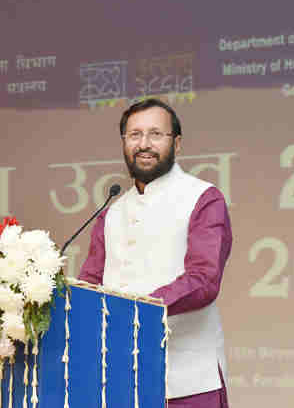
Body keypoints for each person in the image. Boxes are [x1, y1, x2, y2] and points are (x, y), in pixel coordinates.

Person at [79, 98, 232, 407]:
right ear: (123, 142)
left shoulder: (203, 197)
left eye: (155, 134)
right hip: (119, 379)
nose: (144, 144)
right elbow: (89, 284)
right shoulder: (112, 211)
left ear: (177, 143)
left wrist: (137, 311)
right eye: (134, 135)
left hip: (186, 380)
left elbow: (204, 280)